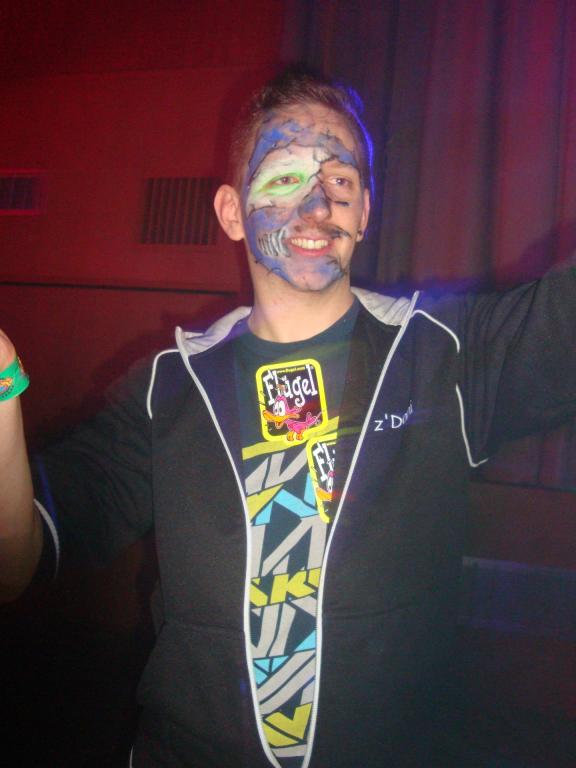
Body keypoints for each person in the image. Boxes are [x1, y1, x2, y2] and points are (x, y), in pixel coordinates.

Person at [0, 68, 574, 768]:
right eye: (284, 178)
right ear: (231, 211)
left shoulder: (446, 355)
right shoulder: (168, 388)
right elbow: (14, 561)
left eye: (340, 181)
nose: (317, 204)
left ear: (365, 211)